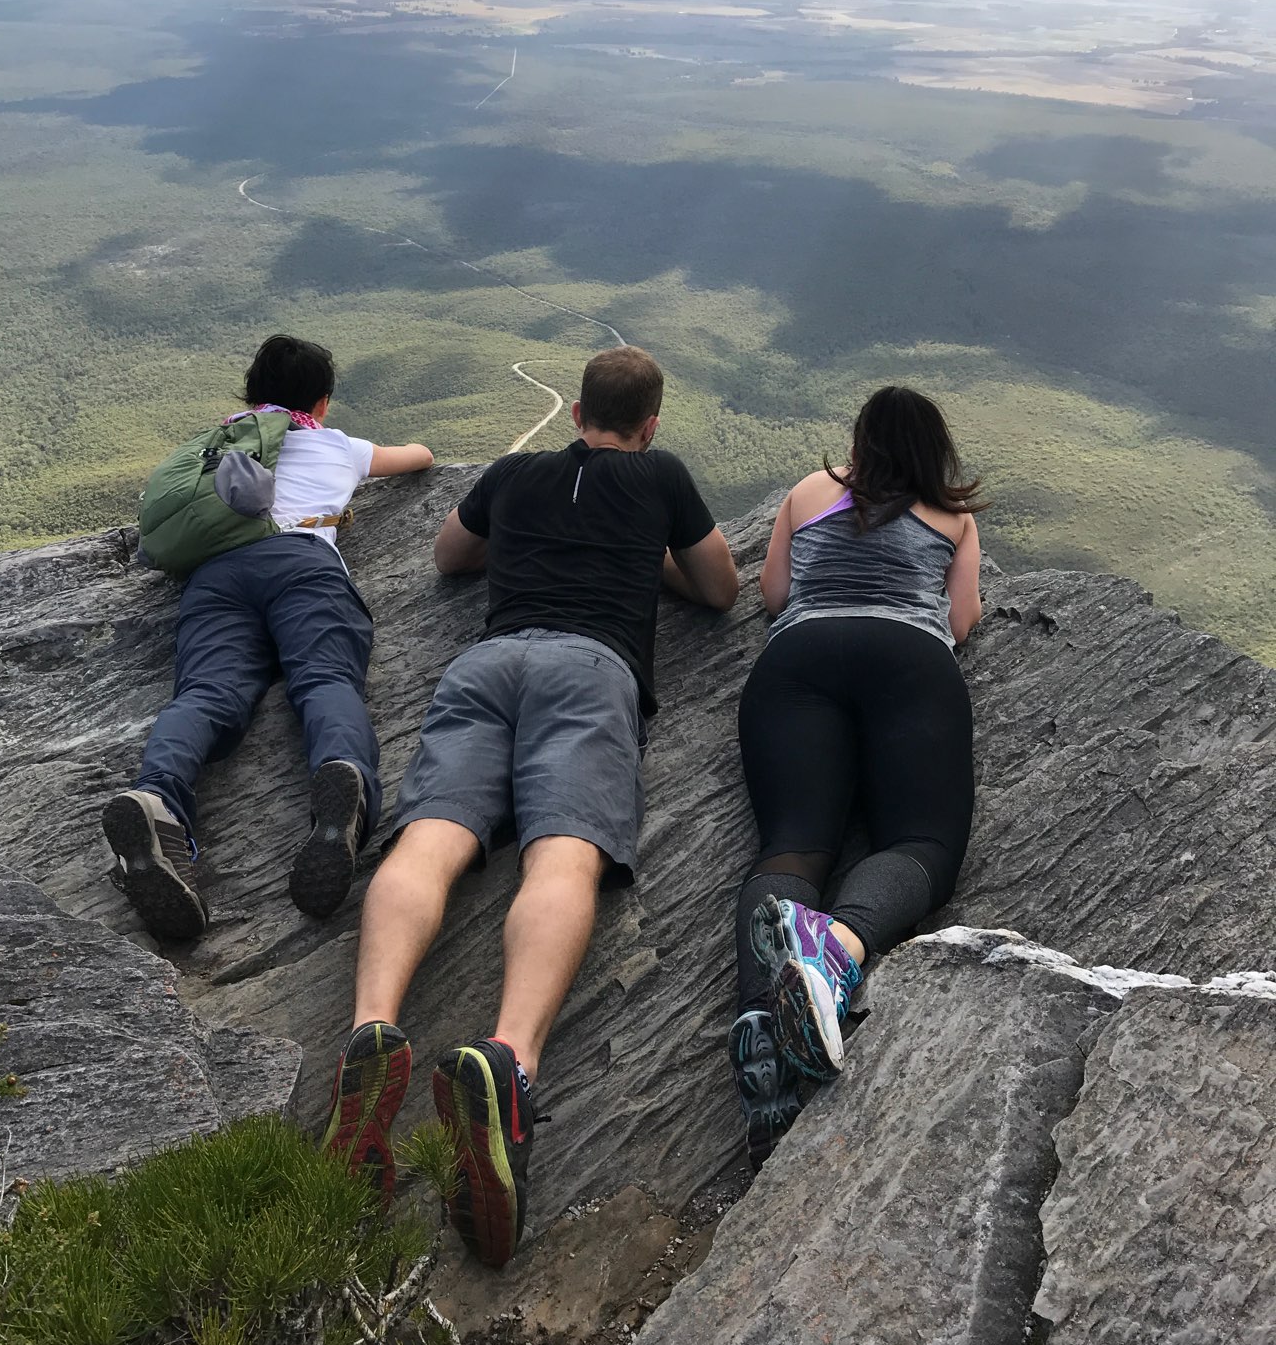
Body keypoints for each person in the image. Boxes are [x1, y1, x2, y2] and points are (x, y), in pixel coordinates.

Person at [322, 346, 739, 1266]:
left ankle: (371, 1029)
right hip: (592, 672)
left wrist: (520, 535)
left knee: (430, 841)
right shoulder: (662, 475)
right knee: (563, 853)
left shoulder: (515, 474)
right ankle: (506, 1063)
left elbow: (447, 557)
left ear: (577, 410)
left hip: (487, 662)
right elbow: (720, 589)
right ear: (649, 425)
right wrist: (647, 557)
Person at [101, 334, 433, 942]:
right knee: (325, 679)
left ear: (250, 395)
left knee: (206, 694)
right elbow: (420, 456)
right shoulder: (339, 445)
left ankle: (157, 801)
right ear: (323, 403)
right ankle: (342, 780)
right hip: (304, 565)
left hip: (217, 576)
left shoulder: (215, 451)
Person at [729, 385, 984, 1167]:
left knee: (794, 844)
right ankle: (837, 947)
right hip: (909, 661)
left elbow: (773, 594)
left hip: (798, 660)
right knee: (921, 842)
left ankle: (761, 1029)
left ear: (860, 440)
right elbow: (962, 620)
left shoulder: (808, 493)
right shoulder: (953, 516)